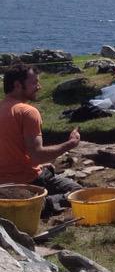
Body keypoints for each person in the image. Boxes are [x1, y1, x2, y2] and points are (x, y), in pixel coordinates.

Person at [0, 63, 83, 202]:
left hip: (3, 184)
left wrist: (37, 165)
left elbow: (10, 151)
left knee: (46, 171)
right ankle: (48, 203)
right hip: (28, 180)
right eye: (34, 83)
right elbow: (37, 156)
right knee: (79, 193)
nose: (39, 87)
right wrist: (70, 144)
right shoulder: (27, 112)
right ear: (17, 85)